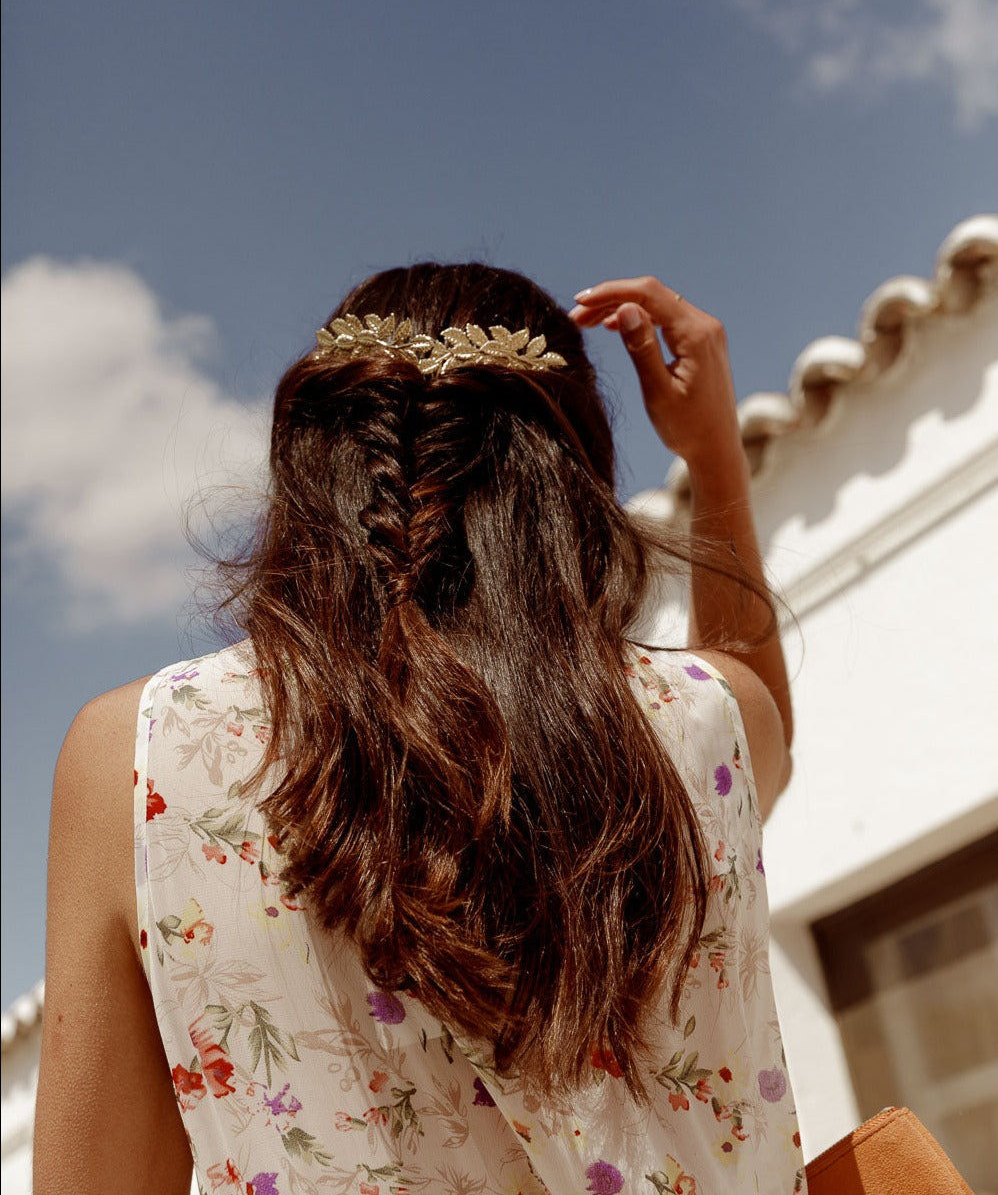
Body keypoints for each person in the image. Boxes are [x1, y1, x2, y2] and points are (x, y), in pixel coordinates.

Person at [34, 265, 804, 1193]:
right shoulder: (702, 718)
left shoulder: (140, 753)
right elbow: (760, 720)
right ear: (575, 481)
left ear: (309, 465)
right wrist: (714, 452)